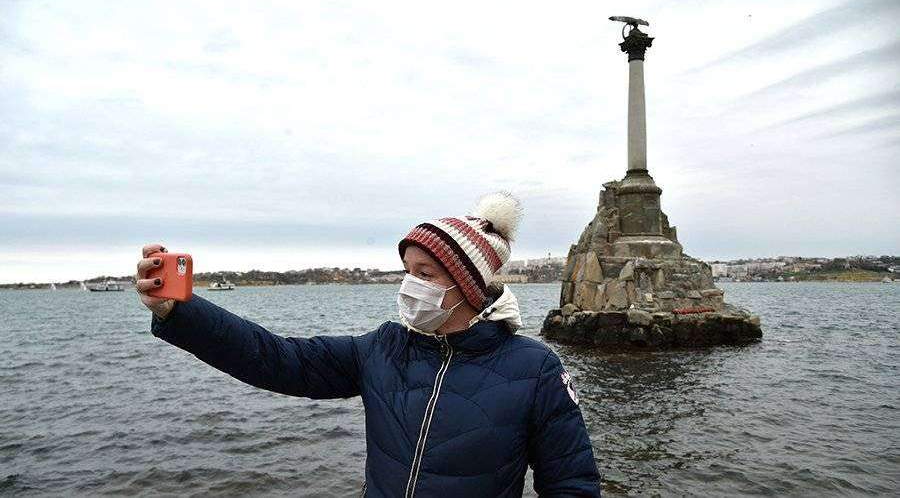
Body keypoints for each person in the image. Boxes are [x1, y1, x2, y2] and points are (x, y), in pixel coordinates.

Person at [136, 192, 601, 497]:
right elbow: (276, 359)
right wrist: (180, 312)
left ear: (469, 286)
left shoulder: (534, 368)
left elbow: (571, 484)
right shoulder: (383, 349)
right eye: (407, 271)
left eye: (425, 274)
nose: (410, 284)